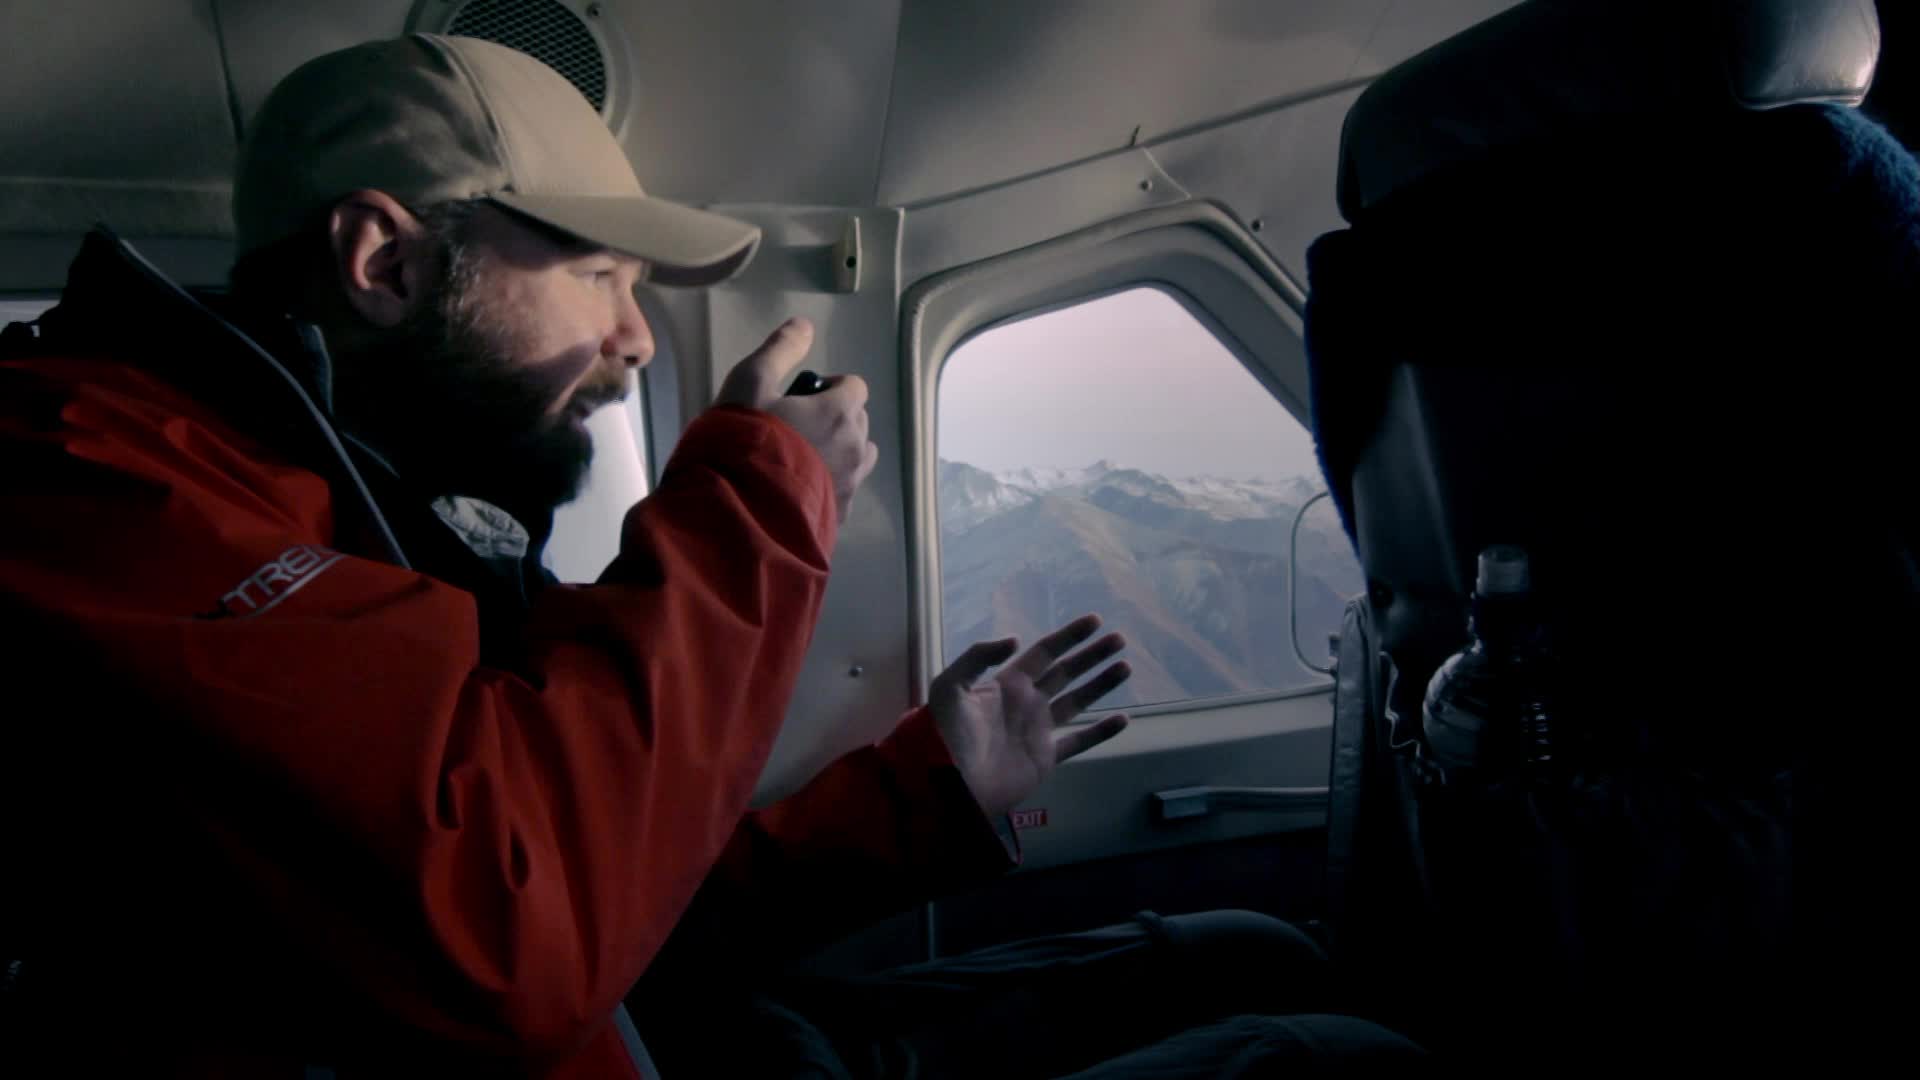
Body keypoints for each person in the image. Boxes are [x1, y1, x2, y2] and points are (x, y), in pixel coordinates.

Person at [0, 34, 1418, 1077]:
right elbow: (509, 925)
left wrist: (926, 793)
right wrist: (758, 496)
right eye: (599, 277)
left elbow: (629, 871)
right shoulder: (88, 486)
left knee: (1259, 950)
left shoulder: (375, 505)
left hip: (689, 1032)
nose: (634, 338)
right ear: (387, 263)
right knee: (1342, 1064)